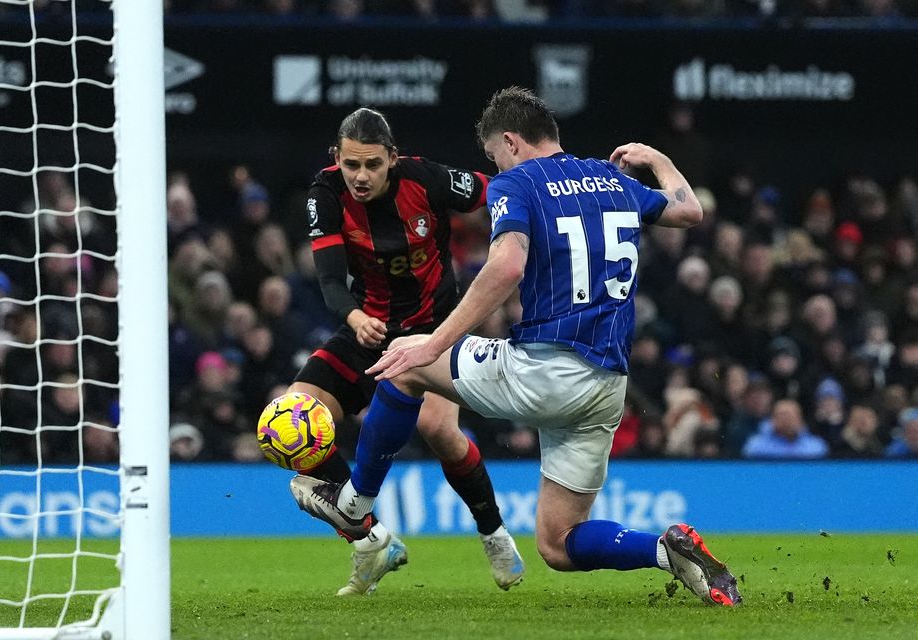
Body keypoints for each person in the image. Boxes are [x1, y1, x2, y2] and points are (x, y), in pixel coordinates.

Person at [291, 87, 741, 607]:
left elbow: (506, 266)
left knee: (403, 362)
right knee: (558, 542)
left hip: (548, 367)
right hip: (608, 385)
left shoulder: (517, 181)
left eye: (493, 156)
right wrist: (657, 159)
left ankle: (353, 505)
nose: (495, 166)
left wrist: (436, 343)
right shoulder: (614, 178)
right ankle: (667, 549)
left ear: (510, 141)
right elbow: (689, 212)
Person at [281, 107, 524, 596]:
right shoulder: (324, 194)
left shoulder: (427, 179)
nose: (361, 176)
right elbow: (329, 279)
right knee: (288, 422)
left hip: (435, 331)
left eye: (372, 164)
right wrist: (354, 318)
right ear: (337, 159)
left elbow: (499, 187)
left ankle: (493, 531)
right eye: (352, 165)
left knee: (438, 429)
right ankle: (370, 540)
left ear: (392, 158)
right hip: (367, 327)